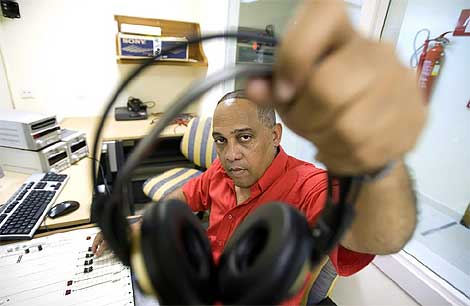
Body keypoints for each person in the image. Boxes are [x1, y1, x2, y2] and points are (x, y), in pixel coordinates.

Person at [93, 0, 426, 304]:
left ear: (275, 134)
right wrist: (138, 227)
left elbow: (384, 239)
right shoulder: (221, 173)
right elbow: (181, 198)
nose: (230, 154)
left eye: (245, 137)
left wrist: (378, 156)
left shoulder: (309, 187)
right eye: (221, 140)